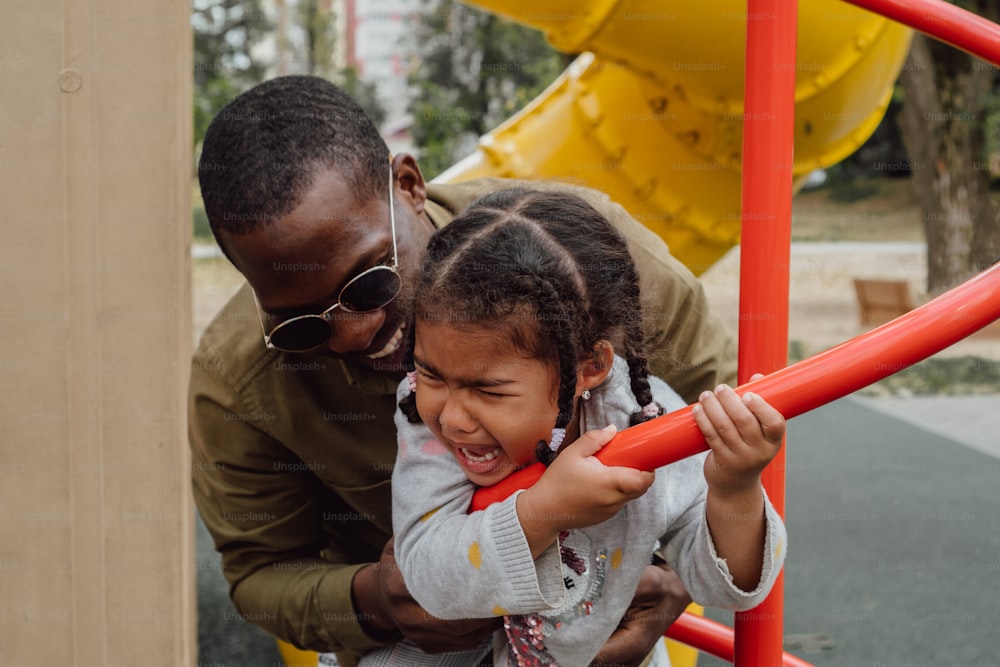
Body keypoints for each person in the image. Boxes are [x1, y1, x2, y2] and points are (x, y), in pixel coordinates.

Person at [191, 75, 738, 666]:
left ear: (409, 185)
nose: (353, 333)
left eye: (369, 280)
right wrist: (377, 601)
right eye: (299, 323)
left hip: (602, 610)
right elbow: (261, 574)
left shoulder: (581, 262)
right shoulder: (238, 382)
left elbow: (729, 417)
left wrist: (668, 579)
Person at [360, 188, 786, 666]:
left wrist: (734, 488)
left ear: (589, 367)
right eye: (432, 374)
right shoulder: (422, 417)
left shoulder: (641, 422)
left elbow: (727, 585)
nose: (453, 419)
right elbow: (429, 578)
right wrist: (546, 510)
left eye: (489, 390)